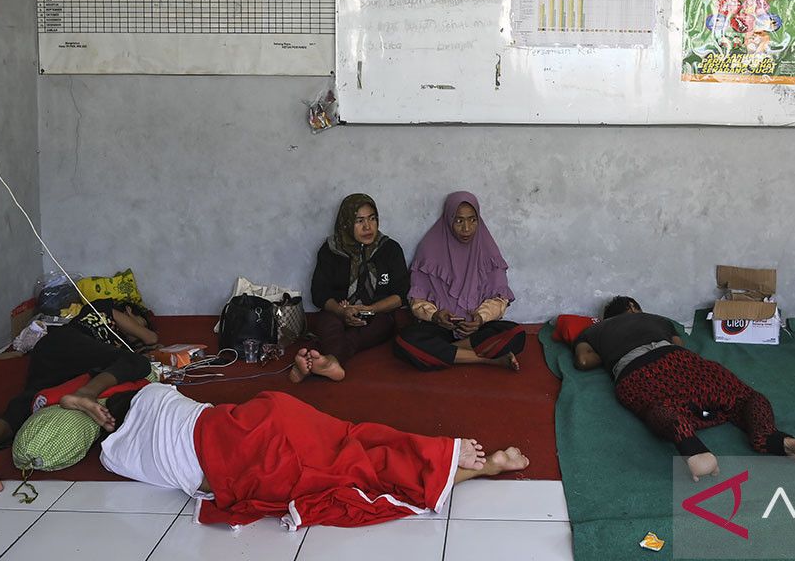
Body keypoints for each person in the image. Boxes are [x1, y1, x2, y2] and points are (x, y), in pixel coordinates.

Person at [99, 382, 530, 528]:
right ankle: (447, 454)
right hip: (265, 414)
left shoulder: (118, 454)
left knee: (351, 477)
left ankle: (463, 465)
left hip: (247, 456)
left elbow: (114, 451)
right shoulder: (157, 395)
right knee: (352, 438)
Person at [573, 296, 795, 480]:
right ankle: (772, 437)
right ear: (636, 309)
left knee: (660, 407)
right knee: (744, 397)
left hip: (637, 370)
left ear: (609, 318)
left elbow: (583, 361)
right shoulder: (659, 320)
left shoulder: (595, 330)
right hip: (683, 362)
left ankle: (694, 449)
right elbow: (679, 344)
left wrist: (610, 351)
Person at [0, 301, 158, 495]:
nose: (135, 335)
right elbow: (151, 338)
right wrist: (140, 336)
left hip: (53, 355)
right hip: (68, 341)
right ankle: (86, 394)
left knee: (27, 403)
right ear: (129, 311)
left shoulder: (105, 348)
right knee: (136, 362)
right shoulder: (103, 308)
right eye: (139, 323)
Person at [394, 191, 525, 371]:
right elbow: (417, 299)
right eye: (459, 220)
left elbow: (499, 298)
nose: (467, 228)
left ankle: (442, 353)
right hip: (440, 328)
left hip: (476, 330)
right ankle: (486, 359)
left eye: (472, 220)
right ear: (449, 219)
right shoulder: (429, 247)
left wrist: (480, 318)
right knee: (404, 340)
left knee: (516, 333)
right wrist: (435, 315)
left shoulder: (487, 248)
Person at [301, 193, 409, 382]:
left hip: (378, 314)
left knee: (363, 331)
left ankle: (330, 360)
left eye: (372, 219)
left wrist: (370, 309)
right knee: (329, 323)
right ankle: (327, 364)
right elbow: (319, 293)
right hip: (338, 310)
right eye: (359, 221)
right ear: (346, 223)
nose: (368, 227)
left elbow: (401, 294)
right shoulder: (331, 250)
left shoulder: (390, 249)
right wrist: (341, 311)